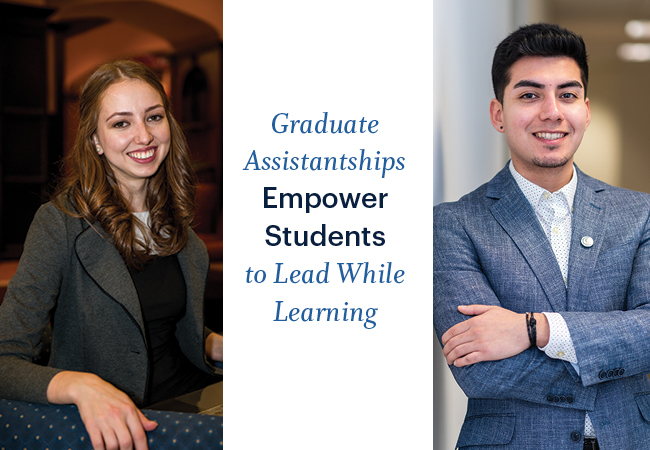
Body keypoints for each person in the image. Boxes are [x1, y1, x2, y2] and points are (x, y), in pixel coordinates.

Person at [433, 23, 650, 450]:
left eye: (567, 95)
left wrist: (535, 329)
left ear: (585, 110)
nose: (551, 112)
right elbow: (480, 369)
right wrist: (615, 361)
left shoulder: (640, 213)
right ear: (498, 114)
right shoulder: (454, 224)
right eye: (529, 95)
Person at [0, 60, 223, 450]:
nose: (144, 135)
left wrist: (213, 344)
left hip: (193, 399)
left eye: (153, 117)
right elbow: (4, 357)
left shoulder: (180, 227)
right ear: (95, 141)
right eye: (121, 123)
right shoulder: (59, 224)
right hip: (126, 423)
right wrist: (79, 385)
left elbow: (154, 323)